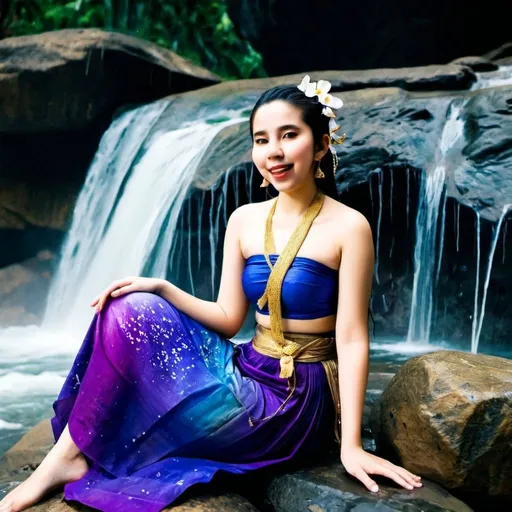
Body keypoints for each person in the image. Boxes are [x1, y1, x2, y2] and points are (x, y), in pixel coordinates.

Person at [0, 76, 422, 512]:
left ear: (320, 146)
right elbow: (227, 318)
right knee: (129, 307)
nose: (273, 152)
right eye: (261, 140)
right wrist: (162, 288)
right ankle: (66, 457)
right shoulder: (243, 220)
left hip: (294, 397)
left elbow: (352, 338)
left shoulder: (349, 227)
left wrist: (351, 445)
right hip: (250, 364)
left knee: (167, 401)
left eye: (289, 135)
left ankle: (67, 460)